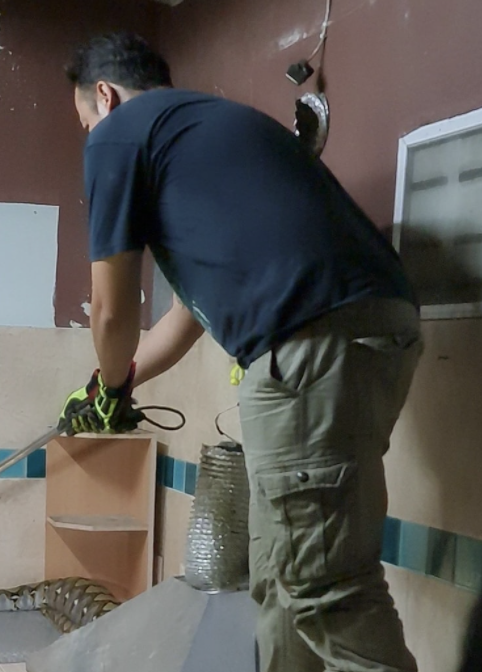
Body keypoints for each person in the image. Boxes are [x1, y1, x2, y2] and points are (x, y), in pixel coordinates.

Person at [57, 31, 423, 672]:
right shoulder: (212, 130)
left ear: (106, 96)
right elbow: (185, 316)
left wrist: (109, 391)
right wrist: (120, 380)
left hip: (308, 348)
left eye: (85, 120)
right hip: (370, 332)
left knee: (324, 590)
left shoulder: (121, 132)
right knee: (281, 579)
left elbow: (111, 307)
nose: (90, 135)